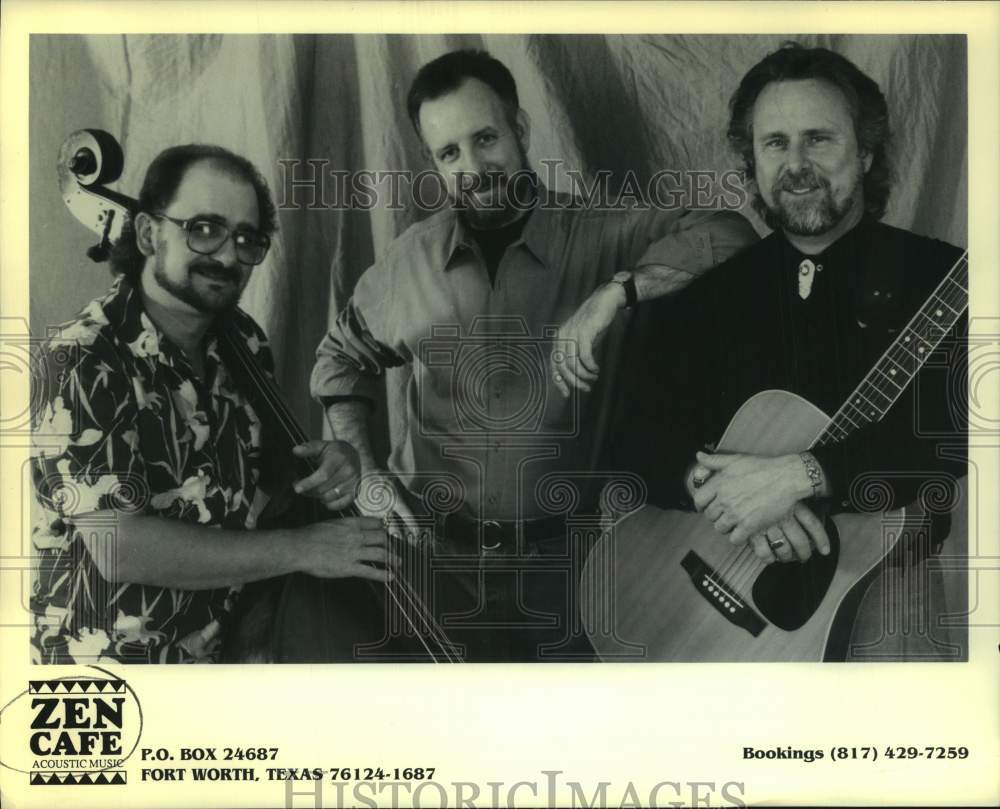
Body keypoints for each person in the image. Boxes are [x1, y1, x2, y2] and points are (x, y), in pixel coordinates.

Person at [310, 49, 757, 661]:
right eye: (449, 153)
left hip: (567, 572)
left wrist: (618, 291)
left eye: (485, 138)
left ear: (519, 130)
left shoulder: (603, 233)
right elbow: (338, 359)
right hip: (429, 568)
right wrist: (365, 472)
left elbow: (732, 234)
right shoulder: (408, 262)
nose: (473, 167)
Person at [614, 43, 966, 650]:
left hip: (882, 586)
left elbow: (952, 432)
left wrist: (803, 475)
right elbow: (640, 433)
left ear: (867, 152)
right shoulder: (712, 293)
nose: (796, 163)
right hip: (714, 570)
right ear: (751, 163)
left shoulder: (944, 279)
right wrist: (731, 499)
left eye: (819, 139)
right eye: (775, 143)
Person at [31, 145, 390, 664]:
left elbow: (265, 487)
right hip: (114, 676)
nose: (227, 256)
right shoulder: (80, 359)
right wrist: (306, 548)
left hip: (230, 656)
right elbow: (116, 546)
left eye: (246, 238)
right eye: (204, 228)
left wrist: (333, 463)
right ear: (150, 233)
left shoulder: (243, 341)